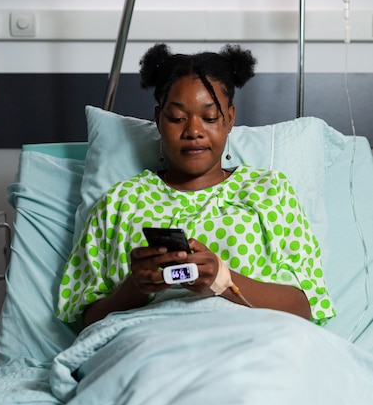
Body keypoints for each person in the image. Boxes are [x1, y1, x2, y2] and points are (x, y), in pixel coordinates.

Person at [57, 43, 335, 328]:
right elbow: (87, 320)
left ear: (229, 119)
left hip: (252, 346)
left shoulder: (269, 192)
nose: (193, 131)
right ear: (158, 119)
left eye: (210, 117)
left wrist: (223, 280)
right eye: (177, 118)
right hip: (145, 349)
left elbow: (306, 307)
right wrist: (137, 287)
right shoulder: (120, 203)